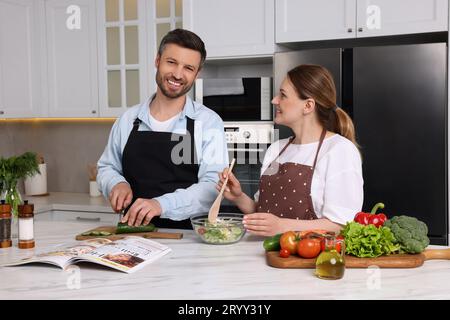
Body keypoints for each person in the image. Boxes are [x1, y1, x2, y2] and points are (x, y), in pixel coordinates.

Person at [97, 29, 228, 229]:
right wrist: (116, 183)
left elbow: (212, 187)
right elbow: (107, 167)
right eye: (171, 62)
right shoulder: (127, 120)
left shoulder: (209, 123)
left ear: (197, 74)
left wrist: (161, 204)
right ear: (157, 61)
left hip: (189, 237)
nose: (177, 74)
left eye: (188, 68)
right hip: (131, 234)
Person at [218, 64, 363, 236]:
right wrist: (238, 197)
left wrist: (283, 226)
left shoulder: (339, 150)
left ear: (308, 105)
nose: (274, 100)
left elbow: (342, 225)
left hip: (310, 260)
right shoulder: (276, 149)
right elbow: (263, 213)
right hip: (265, 255)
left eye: (283, 95)